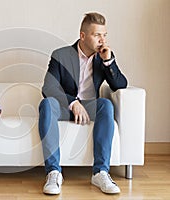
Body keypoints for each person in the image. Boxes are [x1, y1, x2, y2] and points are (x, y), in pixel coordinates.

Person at [39, 12, 127, 195]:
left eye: (104, 35)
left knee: (106, 105)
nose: (102, 40)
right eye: (97, 35)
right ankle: (54, 172)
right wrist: (73, 102)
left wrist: (108, 62)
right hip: (64, 106)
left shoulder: (104, 57)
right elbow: (48, 87)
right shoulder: (60, 55)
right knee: (47, 104)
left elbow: (120, 84)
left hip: (90, 107)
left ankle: (100, 172)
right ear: (83, 36)